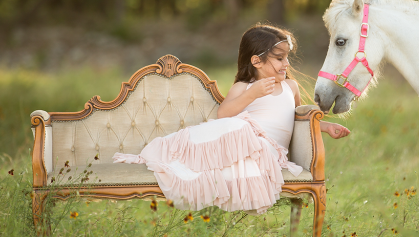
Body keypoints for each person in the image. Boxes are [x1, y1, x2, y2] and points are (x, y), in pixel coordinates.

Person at [113, 23, 351, 212]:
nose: (286, 64)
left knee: (242, 132)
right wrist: (253, 94)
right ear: (256, 61)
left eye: (287, 57)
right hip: (242, 141)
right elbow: (224, 115)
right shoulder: (244, 87)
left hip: (266, 151)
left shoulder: (290, 86)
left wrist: (326, 126)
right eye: (279, 58)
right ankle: (171, 151)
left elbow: (298, 118)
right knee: (236, 126)